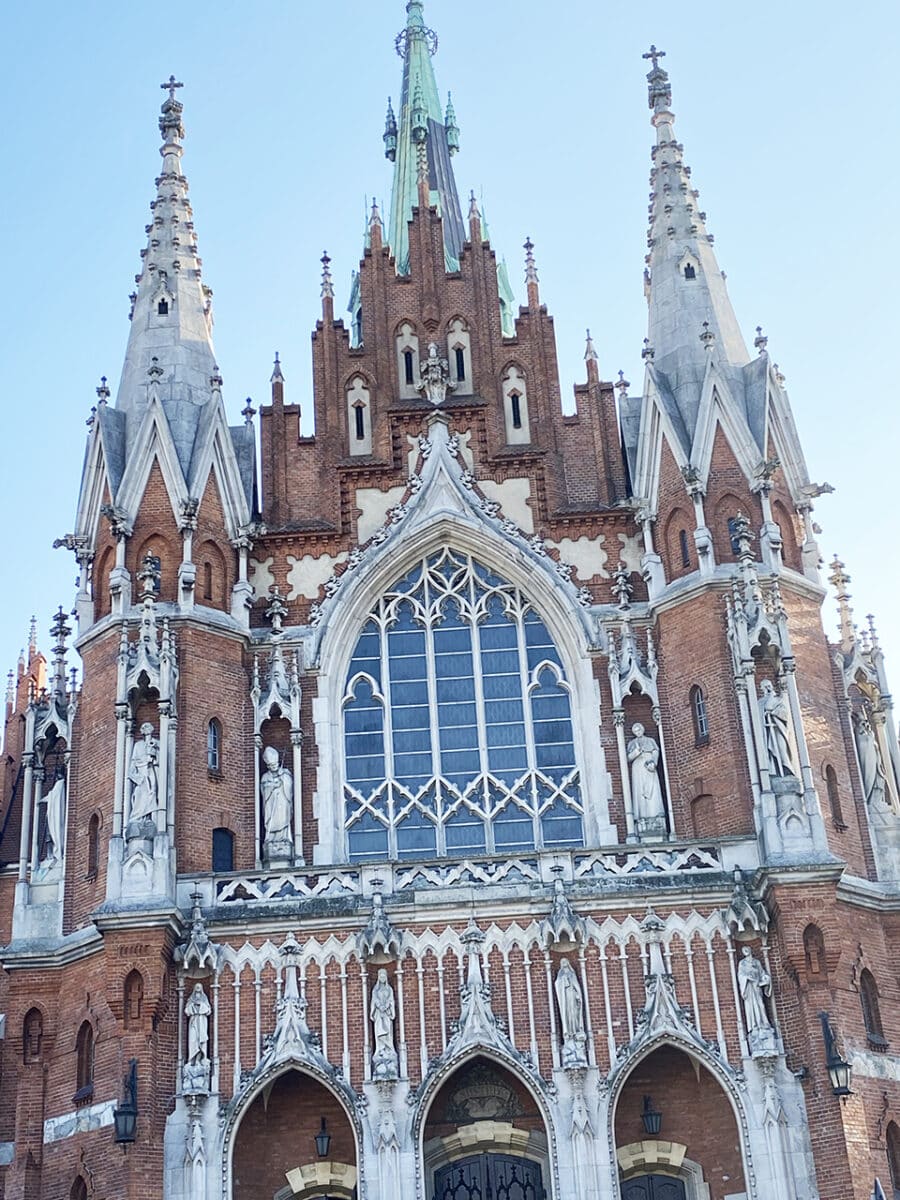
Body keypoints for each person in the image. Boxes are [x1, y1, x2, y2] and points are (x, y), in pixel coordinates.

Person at [627, 723, 665, 824]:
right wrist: (636, 752)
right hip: (638, 767)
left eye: (639, 730)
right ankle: (642, 817)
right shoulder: (632, 743)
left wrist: (654, 762)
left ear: (642, 730)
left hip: (649, 766)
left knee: (653, 790)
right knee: (639, 791)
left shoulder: (650, 741)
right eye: (635, 731)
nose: (638, 732)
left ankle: (656, 815)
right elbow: (628, 758)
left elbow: (655, 751)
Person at [757, 681, 797, 778]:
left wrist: (773, 712)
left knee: (782, 749)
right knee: (771, 751)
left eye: (769, 686)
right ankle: (774, 771)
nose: (767, 688)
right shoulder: (760, 702)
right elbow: (759, 715)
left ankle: (787, 769)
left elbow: (784, 714)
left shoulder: (779, 700)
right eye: (765, 687)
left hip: (779, 729)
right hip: (768, 731)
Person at [260, 746, 293, 851]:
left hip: (282, 802)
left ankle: (284, 836)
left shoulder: (285, 773)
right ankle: (271, 837)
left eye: (274, 764)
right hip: (270, 804)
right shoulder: (265, 776)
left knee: (283, 816)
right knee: (271, 819)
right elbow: (264, 789)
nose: (273, 767)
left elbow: (289, 785)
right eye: (270, 765)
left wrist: (283, 780)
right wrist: (272, 786)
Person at [738, 946, 772, 1035]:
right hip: (748, 987)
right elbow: (740, 975)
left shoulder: (756, 962)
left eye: (746, 949)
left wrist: (765, 978)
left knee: (761, 1005)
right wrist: (746, 978)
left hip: (757, 987)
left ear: (750, 950)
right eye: (743, 950)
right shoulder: (742, 963)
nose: (745, 951)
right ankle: (754, 1025)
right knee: (751, 1006)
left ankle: (764, 1023)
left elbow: (762, 973)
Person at [128, 723, 159, 823]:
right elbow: (134, 761)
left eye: (148, 727)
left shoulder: (156, 743)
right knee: (139, 793)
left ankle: (150, 818)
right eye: (144, 727)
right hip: (141, 773)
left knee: (152, 791)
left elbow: (161, 759)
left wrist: (154, 758)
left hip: (151, 771)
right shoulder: (138, 745)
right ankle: (138, 817)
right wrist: (145, 760)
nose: (146, 729)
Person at [185, 983, 211, 1065]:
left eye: (199, 987)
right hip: (193, 1021)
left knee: (201, 1041)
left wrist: (201, 1006)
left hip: (202, 1021)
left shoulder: (204, 998)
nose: (198, 988)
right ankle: (192, 1059)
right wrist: (193, 1006)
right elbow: (187, 1011)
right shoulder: (191, 999)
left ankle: (199, 1060)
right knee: (193, 1040)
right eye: (196, 987)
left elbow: (208, 1011)